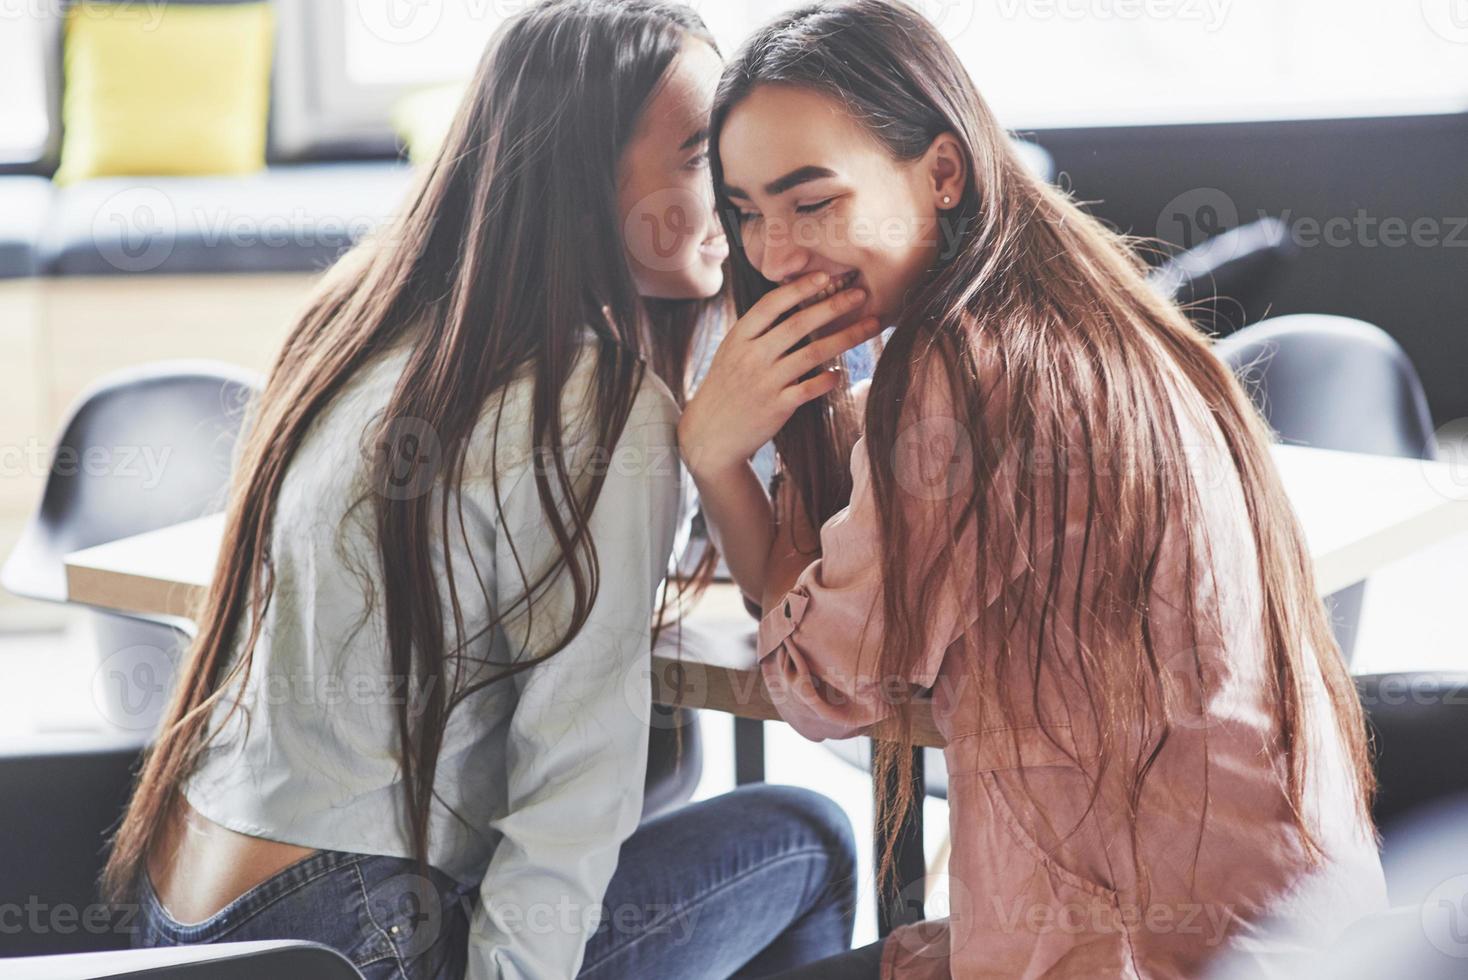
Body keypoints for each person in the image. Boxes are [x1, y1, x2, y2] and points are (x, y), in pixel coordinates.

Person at [106, 3, 866, 977]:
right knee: (809, 835)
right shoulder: (585, 402)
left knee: (664, 775)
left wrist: (705, 450)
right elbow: (573, 782)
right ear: (581, 179)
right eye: (692, 156)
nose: (728, 190)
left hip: (190, 930)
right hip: (355, 928)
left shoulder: (369, 323)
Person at [678, 2, 1388, 977]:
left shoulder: (953, 384)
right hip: (1287, 933)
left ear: (941, 171)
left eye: (812, 202)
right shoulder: (1089, 318)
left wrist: (714, 452)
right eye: (748, 211)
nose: (772, 253)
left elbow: (818, 685)